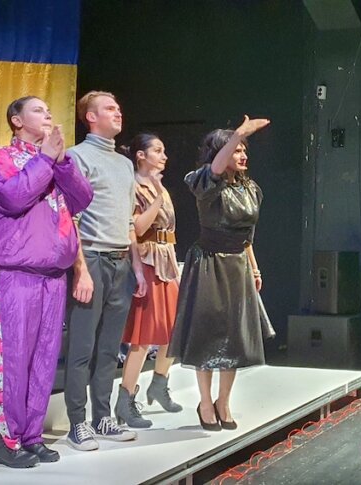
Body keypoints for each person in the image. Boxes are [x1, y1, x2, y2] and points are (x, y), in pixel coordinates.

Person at [0, 96, 93, 467]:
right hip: (11, 273)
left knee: (43, 361)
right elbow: (13, 197)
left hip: (51, 276)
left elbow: (83, 198)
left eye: (48, 110)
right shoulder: (1, 158)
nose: (48, 115)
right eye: (38, 110)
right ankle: (5, 440)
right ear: (16, 120)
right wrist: (45, 159)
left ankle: (30, 435)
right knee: (10, 359)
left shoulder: (55, 163)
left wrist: (62, 161)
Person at [169, 118, 274, 432]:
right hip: (208, 264)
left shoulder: (250, 188)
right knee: (207, 336)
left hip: (237, 264)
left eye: (244, 149)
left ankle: (223, 401)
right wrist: (238, 133)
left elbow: (247, 236)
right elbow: (215, 170)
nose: (243, 155)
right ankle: (205, 402)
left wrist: (254, 267)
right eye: (236, 150)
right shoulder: (204, 181)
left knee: (234, 337)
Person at [64, 91, 146, 451]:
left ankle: (103, 417)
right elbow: (71, 219)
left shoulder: (125, 164)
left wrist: (137, 267)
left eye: (118, 107)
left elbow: (128, 221)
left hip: (120, 262)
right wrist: (80, 269)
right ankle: (77, 423)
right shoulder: (77, 157)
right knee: (83, 346)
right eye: (110, 108)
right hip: (93, 259)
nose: (118, 112)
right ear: (91, 117)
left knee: (110, 348)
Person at [113, 133, 183, 428]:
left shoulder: (159, 185)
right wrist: (156, 197)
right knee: (143, 336)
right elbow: (139, 228)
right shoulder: (133, 185)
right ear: (140, 155)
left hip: (167, 262)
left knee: (175, 331)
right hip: (147, 261)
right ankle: (125, 399)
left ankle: (159, 382)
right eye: (157, 150)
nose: (163, 156)